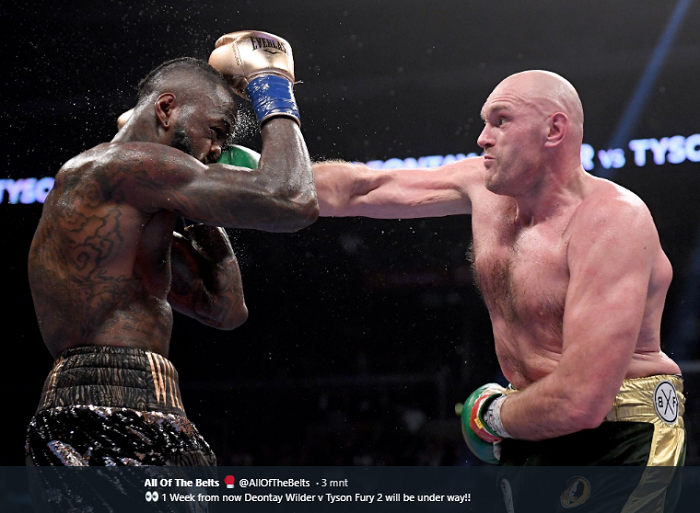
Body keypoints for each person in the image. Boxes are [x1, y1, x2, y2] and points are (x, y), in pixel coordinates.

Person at [314, 70, 685, 509]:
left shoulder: (612, 221)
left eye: (501, 120)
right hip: (529, 426)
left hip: (621, 435)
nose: (482, 138)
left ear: (554, 129)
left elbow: (583, 398)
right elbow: (360, 189)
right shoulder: (483, 187)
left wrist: (487, 415)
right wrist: (251, 175)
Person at [26, 30, 318, 470]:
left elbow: (225, 309)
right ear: (166, 108)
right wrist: (272, 83)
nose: (218, 149)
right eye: (215, 131)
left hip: (121, 398)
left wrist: (200, 205)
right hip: (112, 405)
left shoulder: (134, 216)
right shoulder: (115, 166)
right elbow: (294, 200)